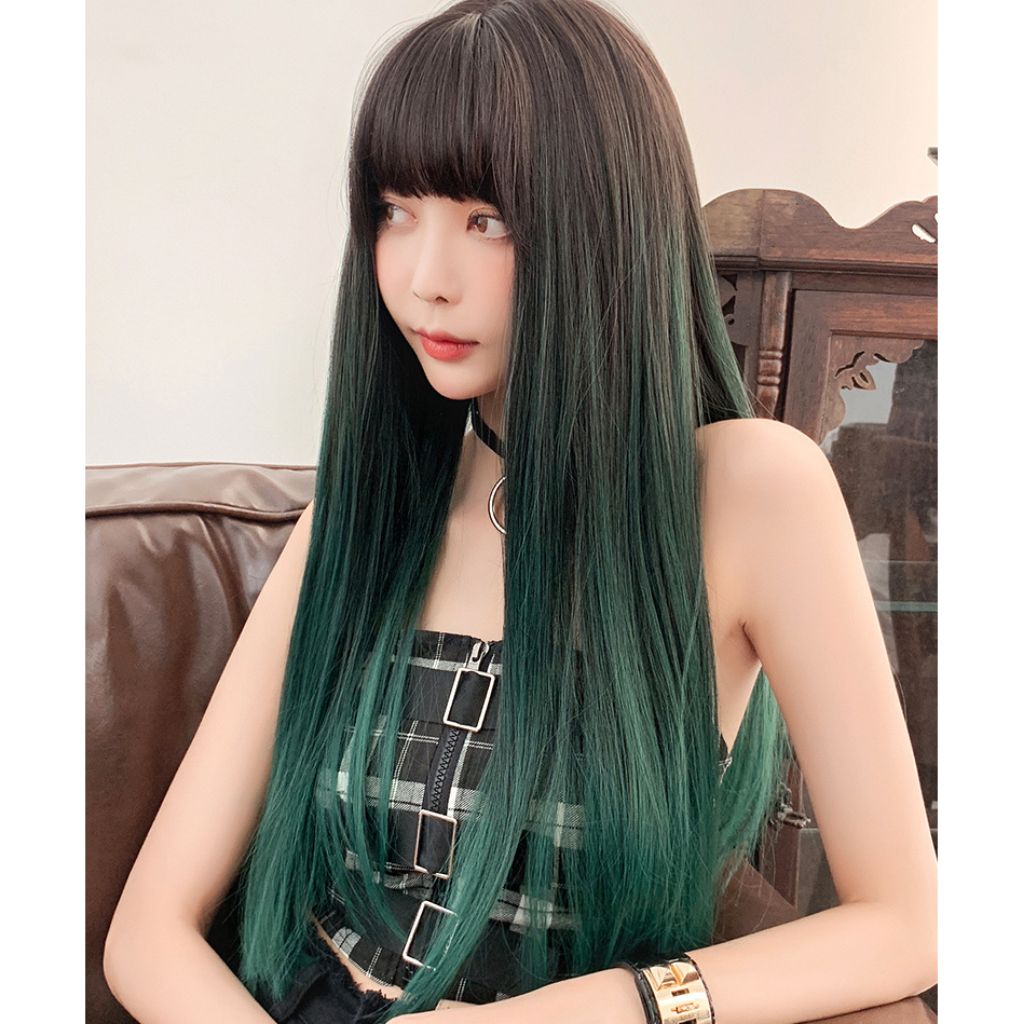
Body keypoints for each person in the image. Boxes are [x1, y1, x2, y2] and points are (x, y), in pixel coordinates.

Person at [102, 2, 938, 1022]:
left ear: (607, 222)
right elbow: (149, 932)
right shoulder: (366, 515)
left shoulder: (751, 492)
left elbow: (904, 923)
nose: (424, 279)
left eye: (486, 219)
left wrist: (588, 1012)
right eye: (394, 210)